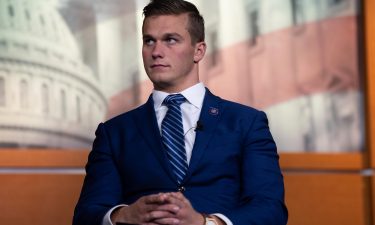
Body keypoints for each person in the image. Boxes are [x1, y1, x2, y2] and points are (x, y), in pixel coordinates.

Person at [73, 0, 288, 224]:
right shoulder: (114, 133)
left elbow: (270, 210)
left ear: (198, 50)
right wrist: (123, 215)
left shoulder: (246, 123)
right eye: (149, 41)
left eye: (170, 40)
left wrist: (205, 223)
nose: (156, 52)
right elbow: (86, 216)